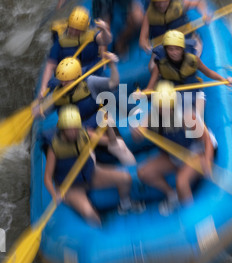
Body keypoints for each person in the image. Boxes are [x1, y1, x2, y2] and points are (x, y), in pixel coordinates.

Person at [133, 81, 217, 215]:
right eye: (160, 106)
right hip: (175, 155)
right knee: (143, 173)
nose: (163, 110)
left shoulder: (187, 117)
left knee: (181, 182)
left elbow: (208, 141)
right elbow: (137, 138)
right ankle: (172, 196)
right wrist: (136, 131)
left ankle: (192, 215)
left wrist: (208, 161)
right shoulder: (152, 116)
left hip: (196, 152)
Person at [39, 55, 136, 167]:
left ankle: (135, 175)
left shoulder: (90, 82)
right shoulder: (55, 95)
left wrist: (112, 65)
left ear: (76, 77)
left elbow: (113, 82)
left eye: (66, 81)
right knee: (89, 159)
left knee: (120, 148)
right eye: (61, 81)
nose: (63, 84)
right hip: (76, 132)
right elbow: (42, 113)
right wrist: (40, 104)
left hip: (99, 123)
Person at [44, 105, 134, 225]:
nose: (73, 132)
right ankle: (100, 231)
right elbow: (47, 178)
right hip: (71, 186)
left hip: (91, 175)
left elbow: (111, 142)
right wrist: (55, 194)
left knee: (126, 178)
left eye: (75, 128)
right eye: (69, 129)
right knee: (89, 214)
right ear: (62, 129)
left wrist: (109, 125)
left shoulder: (85, 134)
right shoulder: (54, 148)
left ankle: (125, 204)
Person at [39, 6, 112, 99]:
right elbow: (50, 64)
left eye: (77, 30)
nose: (73, 32)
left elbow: (106, 40)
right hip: (68, 76)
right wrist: (43, 88)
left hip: (90, 70)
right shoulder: (60, 39)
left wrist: (104, 29)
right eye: (71, 28)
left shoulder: (92, 35)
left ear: (84, 29)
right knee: (54, 84)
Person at [139, 0, 209, 56]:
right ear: (153, 2)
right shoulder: (149, 14)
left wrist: (204, 14)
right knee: (152, 66)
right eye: (158, 2)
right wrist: (146, 45)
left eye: (164, 1)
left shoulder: (178, 4)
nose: (161, 5)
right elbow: (142, 39)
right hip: (165, 46)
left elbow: (199, 2)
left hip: (185, 39)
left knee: (193, 56)